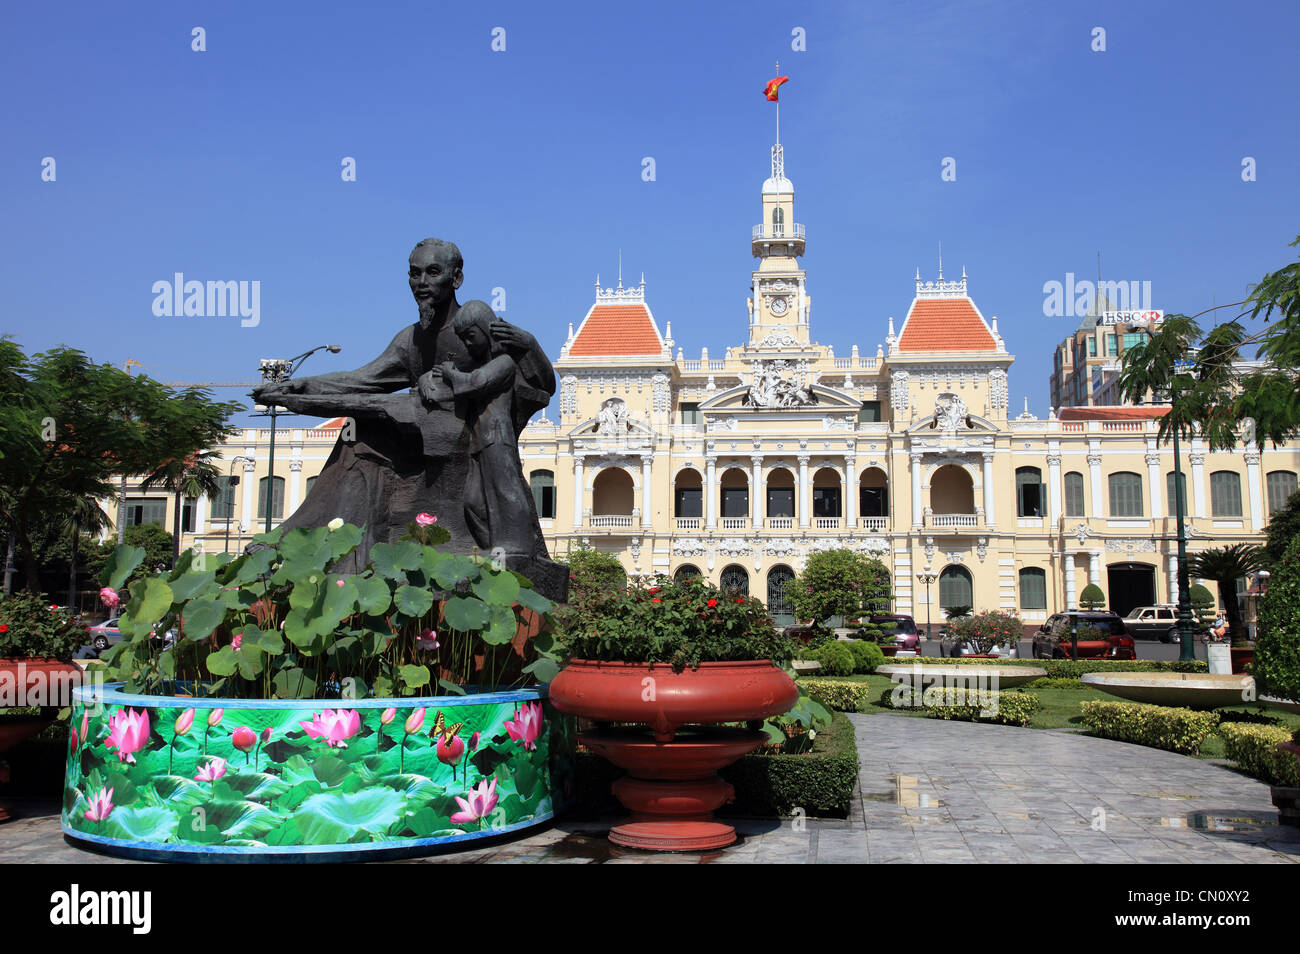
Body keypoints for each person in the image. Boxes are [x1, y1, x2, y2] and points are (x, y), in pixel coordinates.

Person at [250, 238, 556, 573]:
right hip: (416, 437)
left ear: (456, 279)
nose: (422, 282)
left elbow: (536, 384)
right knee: (356, 433)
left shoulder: (477, 327)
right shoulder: (410, 340)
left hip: (465, 443)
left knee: (374, 425)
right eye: (414, 274)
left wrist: (529, 347)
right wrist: (302, 386)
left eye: (433, 273)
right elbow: (361, 379)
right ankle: (328, 546)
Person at [420, 302, 546, 556]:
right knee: (473, 500)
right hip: (479, 440)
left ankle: (519, 546)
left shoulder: (504, 363)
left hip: (498, 436)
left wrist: (450, 372)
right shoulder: (474, 366)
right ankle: (496, 545)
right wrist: (428, 378)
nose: (467, 344)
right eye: (463, 339)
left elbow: (473, 384)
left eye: (471, 337)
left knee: (506, 490)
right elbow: (442, 376)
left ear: (486, 331)